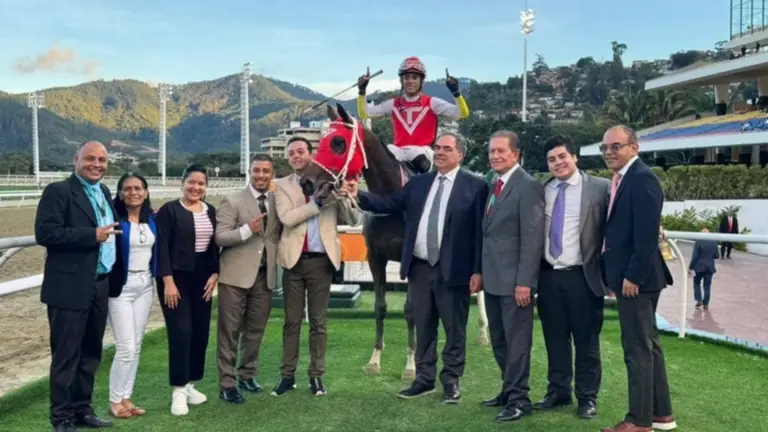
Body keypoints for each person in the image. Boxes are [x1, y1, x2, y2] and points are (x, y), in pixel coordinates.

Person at [341, 132, 488, 404]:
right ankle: (424, 379)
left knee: (454, 330)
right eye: (437, 147)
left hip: (454, 269)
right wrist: (357, 194)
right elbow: (387, 204)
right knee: (424, 327)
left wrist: (478, 271)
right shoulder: (418, 184)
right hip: (419, 268)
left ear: (460, 155)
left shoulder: (475, 187)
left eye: (447, 148)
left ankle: (451, 382)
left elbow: (480, 234)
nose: (440, 152)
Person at [34, 140, 118, 431]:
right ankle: (61, 418)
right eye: (90, 158)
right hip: (69, 287)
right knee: (66, 356)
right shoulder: (58, 191)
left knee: (91, 353)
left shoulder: (104, 192)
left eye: (102, 160)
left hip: (100, 284)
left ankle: (83, 409)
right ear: (76, 159)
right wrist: (91, 235)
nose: (97, 164)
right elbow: (46, 233)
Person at [600, 125, 677, 432]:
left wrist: (632, 276)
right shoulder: (623, 178)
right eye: (605, 147)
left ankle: (639, 421)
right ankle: (661, 414)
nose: (609, 152)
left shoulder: (642, 178)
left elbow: (645, 235)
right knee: (648, 344)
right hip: (635, 277)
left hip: (637, 280)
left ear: (635, 147)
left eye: (616, 146)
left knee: (637, 349)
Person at [271, 137, 361, 397]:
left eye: (301, 151)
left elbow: (353, 220)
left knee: (318, 322)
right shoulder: (282, 186)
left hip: (321, 262)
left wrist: (344, 197)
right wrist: (317, 203)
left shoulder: (331, 181)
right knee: (291, 322)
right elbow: (287, 218)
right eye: (291, 153)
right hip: (293, 261)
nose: (296, 156)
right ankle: (287, 376)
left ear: (311, 154)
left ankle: (316, 376)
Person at [534, 135, 610, 420]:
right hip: (548, 276)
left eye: (562, 157)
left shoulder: (600, 188)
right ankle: (558, 391)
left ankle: (587, 397)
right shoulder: (542, 190)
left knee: (586, 341)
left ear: (575, 156)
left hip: (583, 276)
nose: (558, 163)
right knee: (555, 338)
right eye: (552, 160)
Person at [478, 130, 544, 423]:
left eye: (501, 151)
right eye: (492, 151)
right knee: (499, 340)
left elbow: (532, 238)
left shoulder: (528, 186)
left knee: (517, 344)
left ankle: (519, 400)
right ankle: (509, 390)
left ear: (515, 154)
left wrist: (524, 282)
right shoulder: (493, 184)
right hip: (493, 279)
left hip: (516, 282)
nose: (495, 156)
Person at [215, 154, 281, 404]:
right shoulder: (232, 200)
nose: (261, 175)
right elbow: (220, 237)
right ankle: (227, 383)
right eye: (256, 170)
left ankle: (247, 375)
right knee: (229, 332)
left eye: (265, 171)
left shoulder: (277, 201)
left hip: (265, 276)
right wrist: (246, 230)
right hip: (235, 276)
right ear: (249, 172)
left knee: (255, 330)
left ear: (272, 174)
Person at [155, 164, 219, 416]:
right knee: (181, 332)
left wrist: (215, 273)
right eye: (191, 182)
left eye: (201, 183)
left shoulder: (210, 210)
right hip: (175, 279)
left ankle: (191, 383)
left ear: (206, 187)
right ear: (182, 183)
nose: (196, 187)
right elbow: (161, 247)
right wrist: (168, 281)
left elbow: (214, 246)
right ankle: (178, 390)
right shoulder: (169, 211)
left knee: (200, 333)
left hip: (203, 278)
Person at [356, 57, 470, 173]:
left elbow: (462, 113)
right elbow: (365, 113)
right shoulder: (393, 104)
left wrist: (456, 92)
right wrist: (362, 91)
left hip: (423, 151)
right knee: (383, 153)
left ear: (422, 81)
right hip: (398, 151)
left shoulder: (432, 102)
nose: (410, 81)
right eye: (406, 77)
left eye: (415, 77)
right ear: (401, 81)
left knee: (416, 155)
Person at [107, 172, 157, 419]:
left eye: (138, 188)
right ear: (119, 193)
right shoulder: (114, 220)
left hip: (145, 284)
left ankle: (126, 396)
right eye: (127, 188)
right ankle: (114, 400)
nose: (133, 192)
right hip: (121, 287)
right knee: (126, 346)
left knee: (136, 345)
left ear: (146, 193)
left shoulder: (151, 220)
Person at [689, 228, 718, 310]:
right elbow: (717, 255)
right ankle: (706, 304)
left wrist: (690, 267)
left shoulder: (698, 242)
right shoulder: (714, 242)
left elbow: (694, 256)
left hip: (699, 267)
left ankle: (699, 300)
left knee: (696, 283)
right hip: (710, 268)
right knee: (707, 286)